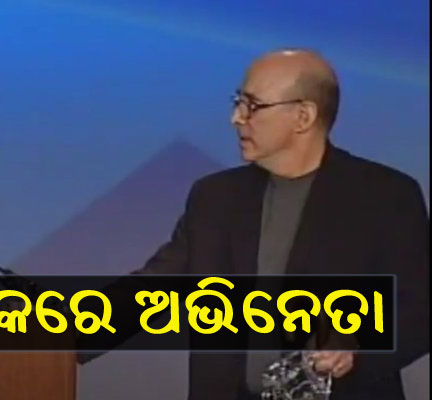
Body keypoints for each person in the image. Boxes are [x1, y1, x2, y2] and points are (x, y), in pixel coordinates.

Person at [123, 49, 428, 399]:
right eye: (238, 102)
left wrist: (358, 346)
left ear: (303, 116)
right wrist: (71, 328)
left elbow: (419, 310)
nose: (236, 118)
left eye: (252, 105)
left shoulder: (385, 196)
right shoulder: (215, 197)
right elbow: (156, 285)